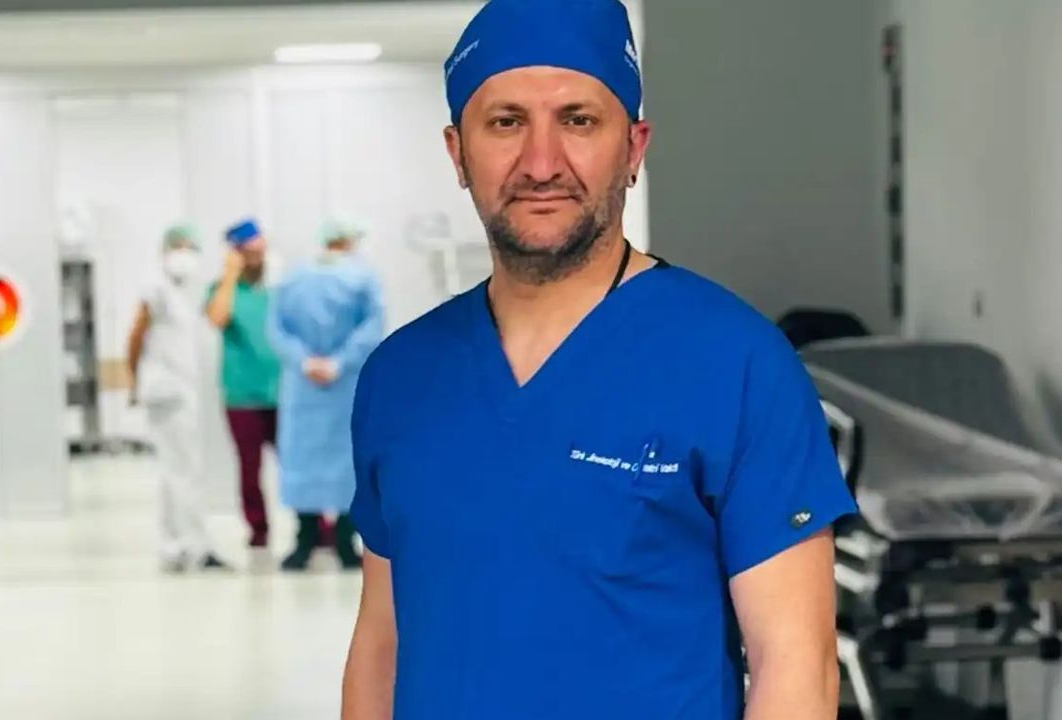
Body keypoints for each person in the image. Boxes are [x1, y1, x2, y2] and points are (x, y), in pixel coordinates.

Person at [341, 1, 859, 718]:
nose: (541, 163)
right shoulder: (400, 377)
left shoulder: (737, 364)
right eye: (506, 122)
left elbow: (796, 664)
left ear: (634, 148)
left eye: (578, 120)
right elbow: (382, 643)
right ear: (458, 153)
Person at [268, 219, 384, 572]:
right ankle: (346, 544)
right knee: (348, 463)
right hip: (346, 384)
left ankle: (304, 543)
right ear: (349, 241)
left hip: (304, 387)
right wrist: (339, 362)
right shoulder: (362, 280)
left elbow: (275, 328)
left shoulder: (293, 279)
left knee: (302, 462)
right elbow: (374, 325)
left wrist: (304, 361)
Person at [127, 225, 230, 573]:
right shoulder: (155, 286)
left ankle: (175, 546)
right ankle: (196, 547)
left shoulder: (185, 291)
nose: (186, 254)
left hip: (180, 390)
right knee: (184, 471)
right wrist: (132, 379)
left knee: (176, 472)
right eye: (180, 246)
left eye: (191, 247)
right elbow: (136, 334)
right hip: (166, 392)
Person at [206, 218, 282, 549]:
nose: (257, 257)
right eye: (249, 252)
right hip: (242, 395)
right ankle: (258, 528)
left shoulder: (275, 289)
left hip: (282, 392)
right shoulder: (223, 289)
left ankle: (315, 526)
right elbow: (217, 318)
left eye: (260, 251)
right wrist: (229, 274)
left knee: (296, 464)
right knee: (250, 468)